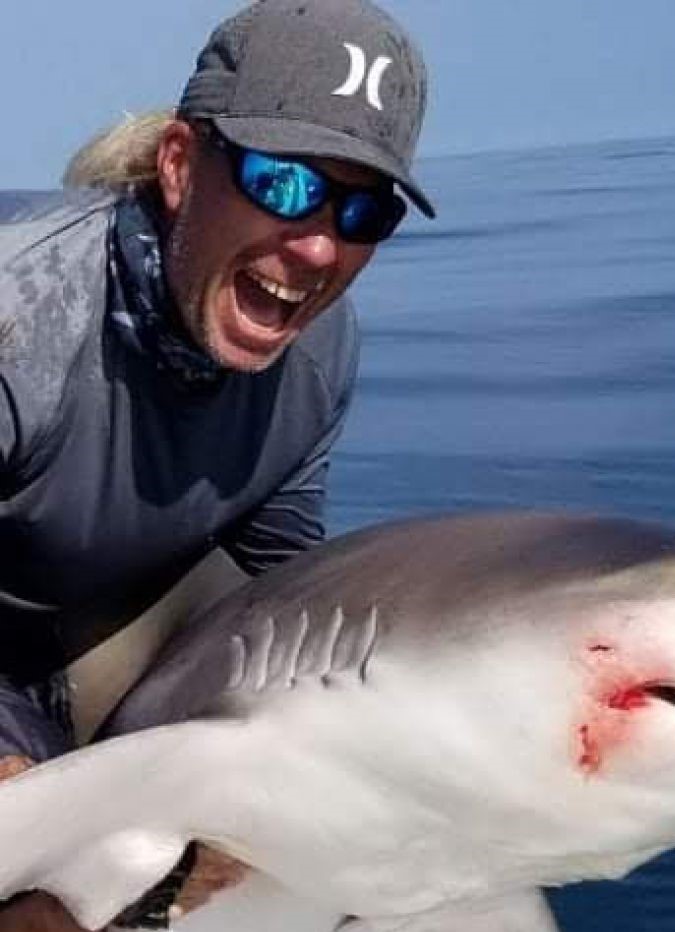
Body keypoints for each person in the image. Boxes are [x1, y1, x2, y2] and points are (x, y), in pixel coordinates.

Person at [0, 0, 434, 927]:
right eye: (284, 184)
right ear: (178, 165)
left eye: (363, 208)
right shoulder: (18, 326)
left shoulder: (319, 356)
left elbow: (276, 594)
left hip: (93, 644)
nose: (319, 244)